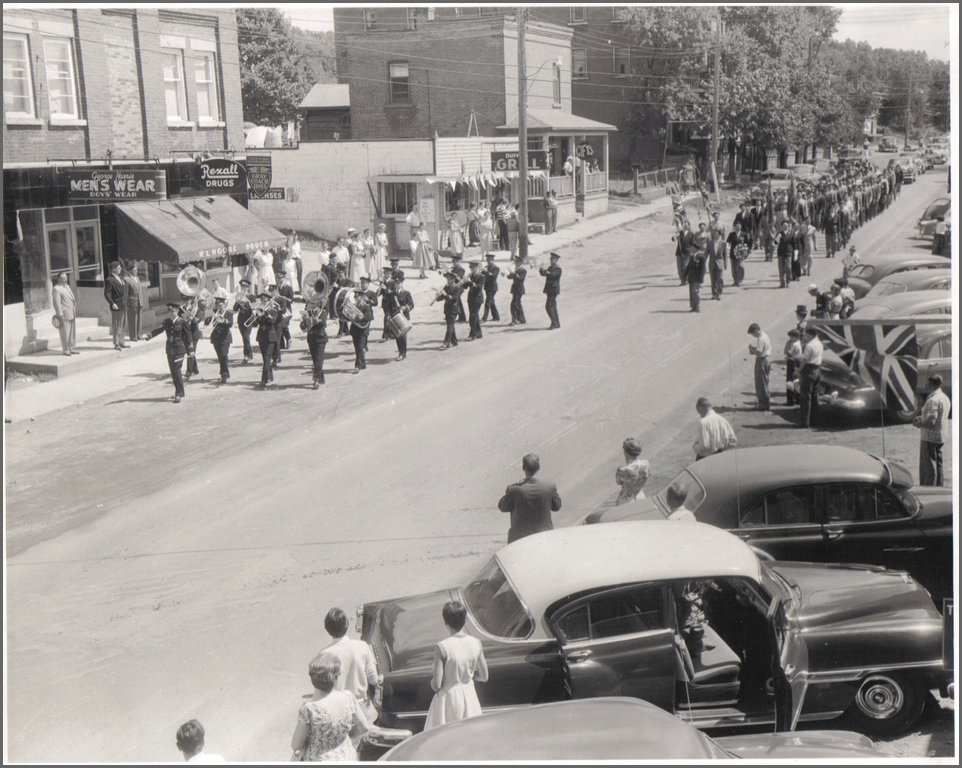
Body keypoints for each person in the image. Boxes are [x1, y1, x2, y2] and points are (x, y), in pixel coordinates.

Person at [290, 653, 388, 762]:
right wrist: (345, 739)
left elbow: (296, 745)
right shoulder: (348, 698)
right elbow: (364, 727)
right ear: (336, 677)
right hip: (346, 757)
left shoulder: (309, 709)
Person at [424, 601, 488, 731]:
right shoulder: (476, 643)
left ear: (446, 623)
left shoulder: (442, 647)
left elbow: (437, 684)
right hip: (469, 695)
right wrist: (467, 677)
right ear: (465, 620)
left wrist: (430, 683)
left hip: (449, 699)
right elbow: (484, 676)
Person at [319, 607, 381, 725]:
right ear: (347, 625)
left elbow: (322, 690)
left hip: (338, 710)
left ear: (327, 628)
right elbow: (374, 679)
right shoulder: (362, 647)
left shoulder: (324, 654)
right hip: (361, 707)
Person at [497, 453, 562, 543]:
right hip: (544, 537)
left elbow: (502, 507)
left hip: (519, 539)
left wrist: (515, 486)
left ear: (523, 468)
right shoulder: (549, 487)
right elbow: (557, 506)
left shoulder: (514, 489)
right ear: (538, 468)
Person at [913, 375, 950, 486]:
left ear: (930, 384)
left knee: (929, 466)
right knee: (938, 464)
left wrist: (918, 423)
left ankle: (929, 488)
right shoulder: (944, 397)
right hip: (940, 436)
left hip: (929, 437)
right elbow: (936, 417)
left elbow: (931, 422)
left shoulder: (932, 400)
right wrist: (923, 418)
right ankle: (939, 486)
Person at [162, 303, 193, 404]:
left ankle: (178, 393)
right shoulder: (167, 322)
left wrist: (190, 350)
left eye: (173, 311)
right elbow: (160, 329)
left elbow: (188, 337)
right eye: (169, 312)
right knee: (173, 372)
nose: (171, 313)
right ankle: (180, 391)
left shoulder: (182, 322)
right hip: (170, 350)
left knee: (177, 370)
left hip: (179, 350)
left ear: (177, 312)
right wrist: (150, 334)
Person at [384, 271, 413, 361]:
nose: (397, 285)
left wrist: (405, 308)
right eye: (396, 283)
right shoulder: (391, 295)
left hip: (404, 317)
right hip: (394, 317)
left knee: (403, 336)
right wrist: (388, 315)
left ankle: (403, 353)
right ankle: (400, 351)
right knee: (397, 336)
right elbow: (387, 306)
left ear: (402, 283)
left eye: (399, 283)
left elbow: (411, 304)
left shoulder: (406, 293)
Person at [254, 292, 281, 389]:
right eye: (262, 300)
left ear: (269, 301)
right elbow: (255, 324)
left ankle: (264, 380)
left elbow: (272, 321)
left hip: (270, 337)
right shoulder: (260, 311)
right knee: (265, 358)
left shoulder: (273, 310)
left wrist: (265, 313)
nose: (263, 302)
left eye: (265, 300)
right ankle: (270, 376)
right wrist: (256, 316)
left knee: (266, 358)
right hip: (261, 337)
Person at [798, 326, 823, 427]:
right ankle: (815, 420)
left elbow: (804, 360)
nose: (805, 336)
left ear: (810, 334)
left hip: (809, 370)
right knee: (815, 397)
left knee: (805, 397)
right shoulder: (819, 343)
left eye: (806, 334)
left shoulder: (809, 345)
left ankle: (805, 422)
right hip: (817, 370)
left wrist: (799, 369)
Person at [207, 290, 233, 384]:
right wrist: (210, 318)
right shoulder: (214, 312)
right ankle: (225, 372)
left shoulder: (228, 313)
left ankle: (224, 374)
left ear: (224, 305)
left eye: (221, 305)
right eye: (218, 305)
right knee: (220, 357)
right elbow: (207, 323)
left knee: (224, 355)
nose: (219, 307)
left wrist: (223, 320)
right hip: (216, 337)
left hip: (225, 337)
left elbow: (230, 324)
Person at [614, 437, 650, 505]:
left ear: (626, 452)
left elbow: (619, 482)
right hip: (641, 497)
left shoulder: (623, 470)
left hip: (625, 501)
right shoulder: (646, 464)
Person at [304, 296, 329, 388]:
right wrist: (304, 321)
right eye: (310, 303)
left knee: (318, 359)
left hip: (320, 338)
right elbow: (304, 325)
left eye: (312, 303)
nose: (310, 305)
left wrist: (317, 321)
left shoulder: (323, 311)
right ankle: (321, 378)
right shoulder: (308, 313)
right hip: (311, 337)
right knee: (315, 360)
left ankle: (316, 380)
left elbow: (324, 323)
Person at [51, 273, 78, 355]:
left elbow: (71, 298)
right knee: (65, 332)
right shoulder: (56, 289)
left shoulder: (67, 287)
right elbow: (57, 302)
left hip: (71, 312)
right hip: (64, 314)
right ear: (59, 279)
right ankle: (66, 349)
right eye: (63, 278)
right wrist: (60, 314)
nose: (65, 280)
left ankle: (72, 348)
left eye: (66, 278)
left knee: (72, 332)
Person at [104, 261, 128, 350]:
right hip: (116, 305)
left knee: (122, 324)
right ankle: (116, 343)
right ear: (113, 269)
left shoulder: (120, 278)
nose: (120, 269)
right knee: (116, 324)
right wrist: (112, 303)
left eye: (120, 268)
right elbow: (107, 293)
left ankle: (122, 342)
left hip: (123, 304)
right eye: (118, 268)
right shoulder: (110, 279)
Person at [435, 271, 462, 349]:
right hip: (447, 309)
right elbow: (442, 297)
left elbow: (454, 298)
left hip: (454, 309)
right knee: (450, 325)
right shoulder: (447, 287)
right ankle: (454, 341)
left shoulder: (457, 288)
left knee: (450, 326)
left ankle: (446, 343)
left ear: (453, 280)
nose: (448, 281)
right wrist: (437, 297)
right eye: (447, 279)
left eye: (449, 279)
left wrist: (445, 294)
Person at [747, 323, 772, 410]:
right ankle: (765, 402)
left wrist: (751, 349)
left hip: (762, 361)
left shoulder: (760, 339)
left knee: (760, 383)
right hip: (767, 360)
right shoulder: (765, 335)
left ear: (756, 331)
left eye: (753, 334)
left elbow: (759, 353)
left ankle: (763, 404)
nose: (753, 336)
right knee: (765, 381)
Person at [232, 279, 254, 363]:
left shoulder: (251, 296)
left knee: (246, 336)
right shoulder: (239, 296)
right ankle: (249, 354)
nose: (243, 288)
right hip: (241, 319)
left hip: (249, 318)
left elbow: (253, 306)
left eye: (245, 287)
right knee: (244, 337)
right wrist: (238, 302)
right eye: (242, 287)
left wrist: (246, 303)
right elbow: (235, 309)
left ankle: (247, 355)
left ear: (248, 288)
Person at [684, 234, 706, 313]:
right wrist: (685, 275)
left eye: (692, 248)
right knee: (691, 292)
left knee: (695, 292)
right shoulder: (692, 256)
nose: (691, 249)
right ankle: (693, 306)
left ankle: (697, 306)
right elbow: (688, 267)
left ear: (695, 249)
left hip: (697, 278)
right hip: (691, 277)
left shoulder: (701, 257)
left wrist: (701, 279)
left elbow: (702, 269)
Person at [539, 252, 562, 329]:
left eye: (552, 259)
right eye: (551, 259)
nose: (551, 260)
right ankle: (556, 323)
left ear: (556, 260)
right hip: (549, 289)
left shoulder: (558, 269)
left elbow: (552, 275)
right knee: (552, 306)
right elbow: (544, 274)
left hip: (553, 289)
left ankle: (554, 323)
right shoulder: (551, 267)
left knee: (549, 306)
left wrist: (546, 272)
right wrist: (541, 269)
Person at [465, 259, 485, 341]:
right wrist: (464, 281)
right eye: (470, 268)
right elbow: (465, 287)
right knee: (475, 316)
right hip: (471, 298)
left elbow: (479, 287)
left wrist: (471, 282)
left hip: (477, 298)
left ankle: (473, 334)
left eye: (473, 268)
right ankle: (478, 333)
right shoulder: (471, 275)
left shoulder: (481, 276)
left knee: (472, 317)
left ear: (477, 267)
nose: (471, 269)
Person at [123, 263, 143, 342]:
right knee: (132, 319)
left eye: (136, 270)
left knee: (139, 319)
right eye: (134, 270)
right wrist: (126, 304)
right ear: (130, 271)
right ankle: (133, 336)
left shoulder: (137, 278)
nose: (136, 271)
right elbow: (125, 293)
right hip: (132, 302)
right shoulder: (126, 279)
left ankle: (138, 334)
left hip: (139, 301)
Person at [783, 328, 803, 406]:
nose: (790, 339)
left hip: (792, 362)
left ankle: (790, 400)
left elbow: (787, 353)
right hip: (797, 362)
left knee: (790, 380)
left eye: (791, 337)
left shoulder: (794, 344)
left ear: (795, 337)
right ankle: (797, 398)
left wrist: (787, 344)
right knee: (796, 380)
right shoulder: (798, 343)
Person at [775, 220, 796, 289]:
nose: (785, 227)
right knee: (781, 269)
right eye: (783, 225)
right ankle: (782, 283)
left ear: (788, 226)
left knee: (788, 267)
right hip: (781, 253)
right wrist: (778, 237)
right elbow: (775, 242)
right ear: (781, 226)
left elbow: (794, 244)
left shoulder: (792, 233)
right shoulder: (779, 233)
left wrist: (795, 254)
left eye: (786, 225)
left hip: (788, 252)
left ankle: (788, 281)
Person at [506, 255, 527, 325]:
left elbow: (521, 279)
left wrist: (514, 273)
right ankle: (521, 319)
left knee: (514, 304)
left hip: (519, 288)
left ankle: (514, 319)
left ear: (520, 262)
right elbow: (509, 277)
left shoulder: (523, 270)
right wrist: (508, 272)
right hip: (515, 288)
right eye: (515, 261)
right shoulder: (516, 269)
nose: (515, 263)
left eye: (517, 262)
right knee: (517, 303)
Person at [707, 226, 727, 300]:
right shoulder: (710, 243)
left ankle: (719, 293)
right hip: (712, 263)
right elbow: (706, 253)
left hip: (720, 263)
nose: (716, 235)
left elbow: (725, 254)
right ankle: (714, 294)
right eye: (714, 234)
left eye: (717, 234)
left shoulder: (723, 243)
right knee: (713, 279)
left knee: (720, 279)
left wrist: (725, 265)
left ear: (719, 234)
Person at [481, 252, 500, 322]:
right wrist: (482, 271)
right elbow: (482, 276)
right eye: (487, 260)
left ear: (492, 260)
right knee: (491, 302)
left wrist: (486, 272)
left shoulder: (496, 268)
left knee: (488, 302)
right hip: (487, 287)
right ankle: (496, 316)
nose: (488, 262)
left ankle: (484, 318)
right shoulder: (487, 267)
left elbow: (493, 277)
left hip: (492, 287)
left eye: (489, 260)